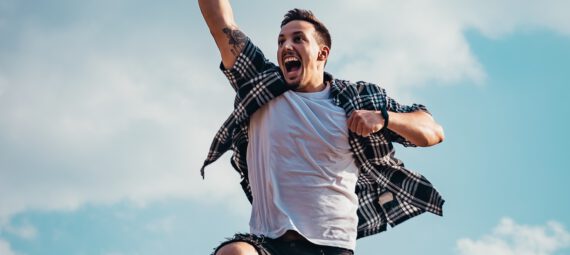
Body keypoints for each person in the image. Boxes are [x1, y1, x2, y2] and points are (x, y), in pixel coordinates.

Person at [198, 1, 446, 254]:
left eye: (298, 39)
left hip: (330, 246)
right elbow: (222, 25)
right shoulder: (259, 83)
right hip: (268, 241)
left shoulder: (356, 99)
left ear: (322, 53)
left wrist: (384, 117)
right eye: (281, 41)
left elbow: (433, 132)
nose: (286, 46)